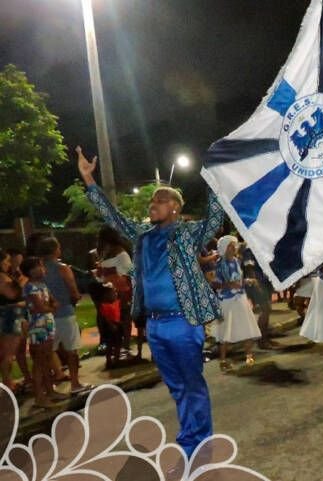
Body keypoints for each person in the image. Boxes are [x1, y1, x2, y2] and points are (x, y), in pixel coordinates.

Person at [77, 145, 223, 458]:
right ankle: (191, 438)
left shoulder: (186, 233)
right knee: (177, 388)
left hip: (183, 321)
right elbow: (113, 218)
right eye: (152, 199)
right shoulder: (143, 234)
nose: (152, 203)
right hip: (155, 325)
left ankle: (198, 445)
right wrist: (90, 182)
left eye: (159, 199)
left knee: (192, 384)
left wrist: (215, 180)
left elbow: (213, 221)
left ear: (174, 207)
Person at [39, 237, 91, 394]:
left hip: (46, 315)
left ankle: (49, 387)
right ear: (56, 250)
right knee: (71, 350)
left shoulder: (40, 269)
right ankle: (75, 383)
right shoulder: (62, 268)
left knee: (48, 352)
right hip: (65, 313)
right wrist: (75, 297)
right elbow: (74, 292)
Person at [21, 256, 68, 408]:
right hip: (38, 328)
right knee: (39, 363)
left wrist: (50, 306)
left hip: (47, 326)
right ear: (30, 270)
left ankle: (50, 391)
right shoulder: (30, 287)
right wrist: (51, 307)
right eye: (39, 266)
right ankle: (39, 397)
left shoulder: (42, 285)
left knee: (47, 360)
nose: (43, 268)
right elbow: (40, 307)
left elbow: (53, 302)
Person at [213, 235, 261, 372]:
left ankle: (249, 355)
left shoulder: (236, 261)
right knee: (225, 331)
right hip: (227, 301)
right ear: (224, 248)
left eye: (234, 245)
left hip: (240, 298)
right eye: (230, 245)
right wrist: (229, 285)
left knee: (247, 326)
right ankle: (223, 360)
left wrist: (248, 281)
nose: (233, 248)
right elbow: (216, 284)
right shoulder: (220, 263)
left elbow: (238, 281)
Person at [95, 226, 137, 358]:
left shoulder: (115, 254)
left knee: (120, 320)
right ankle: (119, 347)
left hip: (117, 292)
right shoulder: (113, 254)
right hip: (114, 292)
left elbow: (126, 276)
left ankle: (122, 347)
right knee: (117, 321)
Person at [241, 246, 277, 350]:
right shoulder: (249, 249)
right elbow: (249, 267)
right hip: (257, 283)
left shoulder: (260, 246)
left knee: (267, 310)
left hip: (265, 281)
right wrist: (256, 283)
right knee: (265, 310)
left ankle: (265, 338)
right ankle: (261, 341)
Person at [0, 249, 26, 393]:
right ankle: (8, 384)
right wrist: (22, 280)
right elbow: (12, 294)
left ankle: (8, 382)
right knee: (8, 353)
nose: (9, 263)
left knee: (7, 352)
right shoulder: (2, 277)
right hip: (10, 317)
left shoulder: (6, 276)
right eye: (7, 261)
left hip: (10, 315)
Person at [97, 282, 123, 369]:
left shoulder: (116, 302)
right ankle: (109, 361)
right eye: (112, 293)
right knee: (110, 344)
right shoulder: (104, 305)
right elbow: (104, 317)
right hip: (110, 326)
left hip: (117, 324)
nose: (115, 294)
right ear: (106, 295)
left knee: (118, 344)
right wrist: (110, 325)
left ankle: (116, 360)